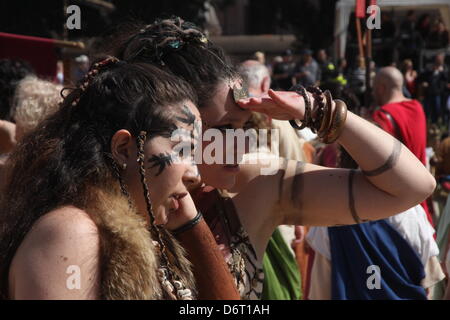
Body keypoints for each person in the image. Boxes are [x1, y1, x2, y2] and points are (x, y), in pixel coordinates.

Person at [114, 17, 436, 300]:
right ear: (172, 124)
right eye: (224, 129)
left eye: (243, 127)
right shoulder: (98, 208)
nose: (240, 145)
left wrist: (319, 112)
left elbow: (412, 187)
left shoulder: (256, 184)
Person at [0, 58, 240, 300]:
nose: (194, 175)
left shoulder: (144, 231)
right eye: (182, 151)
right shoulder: (72, 231)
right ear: (124, 148)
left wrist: (190, 222)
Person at [372, 66, 433, 226]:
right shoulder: (417, 107)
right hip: (420, 199)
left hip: (398, 207)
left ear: (382, 88)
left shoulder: (382, 116)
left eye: (374, 88)